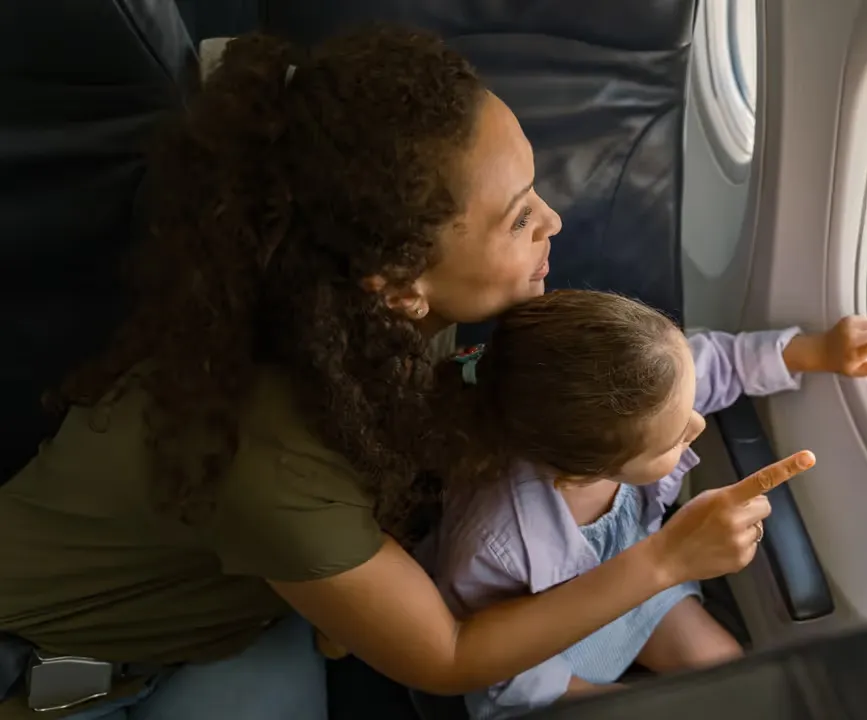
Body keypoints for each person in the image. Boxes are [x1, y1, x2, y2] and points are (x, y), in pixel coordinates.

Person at [0, 28, 814, 720]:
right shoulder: (275, 459)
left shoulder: (377, 317)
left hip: (240, 614)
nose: (554, 223)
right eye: (520, 215)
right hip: (69, 657)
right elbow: (451, 655)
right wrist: (666, 560)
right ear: (397, 278)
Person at [411, 290, 867, 719]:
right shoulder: (491, 542)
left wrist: (816, 351)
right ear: (584, 472)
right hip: (542, 653)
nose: (698, 426)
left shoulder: (650, 386)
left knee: (735, 680)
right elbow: (505, 672)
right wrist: (621, 700)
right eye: (672, 442)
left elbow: (722, 362)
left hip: (641, 592)